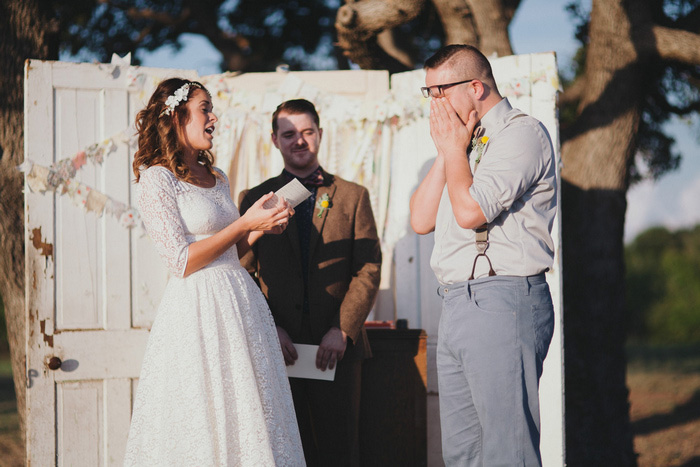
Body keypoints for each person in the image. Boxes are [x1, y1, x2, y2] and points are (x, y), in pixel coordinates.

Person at [124, 78, 305, 466]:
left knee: (249, 406)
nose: (214, 118)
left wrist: (261, 227)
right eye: (205, 108)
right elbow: (181, 261)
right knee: (204, 410)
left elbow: (232, 249)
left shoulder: (217, 176)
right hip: (195, 309)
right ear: (177, 116)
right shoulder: (157, 178)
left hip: (239, 302)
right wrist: (243, 224)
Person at [410, 45, 557, 466]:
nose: (433, 104)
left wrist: (455, 151)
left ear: (475, 86)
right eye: (429, 93)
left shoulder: (521, 132)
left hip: (504, 297)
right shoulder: (460, 142)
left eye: (439, 91)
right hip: (457, 301)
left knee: (507, 450)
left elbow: (471, 212)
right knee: (463, 454)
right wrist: (448, 151)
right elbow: (421, 219)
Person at [238, 99, 381, 467]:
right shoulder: (255, 199)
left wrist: (343, 329)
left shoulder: (353, 196)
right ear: (275, 140)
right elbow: (242, 271)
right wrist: (272, 330)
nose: (298, 141)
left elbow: (368, 268)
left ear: (319, 134)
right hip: (277, 349)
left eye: (306, 132)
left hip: (336, 351)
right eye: (289, 134)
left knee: (339, 450)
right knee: (284, 449)